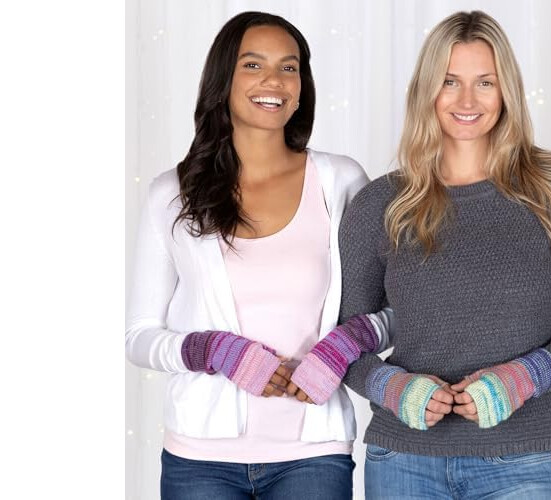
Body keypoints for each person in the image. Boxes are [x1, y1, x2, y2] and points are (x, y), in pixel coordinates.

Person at [333, 10, 551, 499]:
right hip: (403, 461)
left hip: (526, 459)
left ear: (506, 90)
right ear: (427, 90)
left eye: (485, 82)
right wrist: (392, 388)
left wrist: (524, 378)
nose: (467, 100)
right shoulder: (381, 203)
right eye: (450, 82)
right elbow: (345, 339)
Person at [125, 11, 392, 499]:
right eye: (253, 65)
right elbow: (139, 336)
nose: (274, 80)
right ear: (223, 80)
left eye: (289, 67)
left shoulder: (342, 182)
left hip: (313, 454)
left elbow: (399, 306)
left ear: (302, 87)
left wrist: (345, 345)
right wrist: (213, 351)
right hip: (199, 460)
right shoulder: (172, 194)